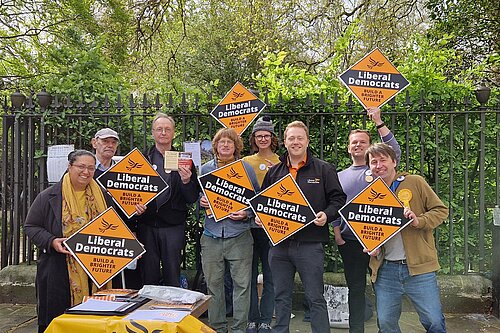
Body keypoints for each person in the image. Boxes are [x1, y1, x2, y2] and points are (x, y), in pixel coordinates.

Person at [23, 150, 146, 333]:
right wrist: (52, 241)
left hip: (97, 269)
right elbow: (31, 226)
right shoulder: (48, 197)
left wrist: (130, 237)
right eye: (81, 166)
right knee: (58, 320)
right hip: (61, 270)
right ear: (69, 167)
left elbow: (115, 224)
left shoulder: (103, 196)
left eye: (90, 168)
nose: (86, 172)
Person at [258, 120, 346, 333]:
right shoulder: (274, 172)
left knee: (315, 297)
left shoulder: (324, 169)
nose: (295, 142)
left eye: (300, 138)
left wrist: (327, 214)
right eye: (291, 138)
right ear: (285, 142)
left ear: (307, 141)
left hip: (310, 244)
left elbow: (338, 199)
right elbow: (264, 202)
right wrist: (261, 217)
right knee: (281, 296)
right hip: (279, 245)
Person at [365, 143, 448, 333]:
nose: (379, 165)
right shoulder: (369, 193)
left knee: (434, 321)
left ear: (394, 161)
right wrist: (371, 245)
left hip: (419, 269)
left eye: (383, 160)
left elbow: (441, 211)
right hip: (385, 269)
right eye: (373, 162)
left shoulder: (414, 182)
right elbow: (366, 228)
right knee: (386, 323)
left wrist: (419, 221)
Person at [332, 106, 401, 333]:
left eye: (363, 141)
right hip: (350, 242)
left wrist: (379, 122)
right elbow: (334, 205)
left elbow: (394, 151)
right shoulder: (339, 175)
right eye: (354, 142)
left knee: (384, 288)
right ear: (348, 147)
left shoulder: (381, 169)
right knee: (356, 288)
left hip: (381, 241)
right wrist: (338, 234)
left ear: (369, 146)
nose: (358, 145)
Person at [199, 127, 260, 333]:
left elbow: (256, 201)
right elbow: (199, 198)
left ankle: (239, 329)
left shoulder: (246, 169)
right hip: (211, 235)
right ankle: (217, 327)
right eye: (221, 142)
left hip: (239, 235)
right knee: (213, 285)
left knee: (242, 286)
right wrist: (202, 202)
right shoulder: (206, 169)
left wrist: (246, 214)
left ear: (236, 147)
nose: (225, 145)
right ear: (215, 145)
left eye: (230, 142)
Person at [137, 113, 200, 287]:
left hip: (173, 225)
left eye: (167, 129)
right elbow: (132, 191)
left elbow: (192, 198)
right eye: (159, 129)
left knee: (173, 272)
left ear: (173, 133)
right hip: (147, 224)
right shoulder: (142, 158)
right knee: (148, 273)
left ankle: (172, 312)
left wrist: (186, 181)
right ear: (152, 133)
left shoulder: (185, 160)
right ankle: (147, 311)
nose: (163, 132)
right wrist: (135, 206)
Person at [242, 116, 280, 333]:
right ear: (254, 139)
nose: (263, 139)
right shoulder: (246, 162)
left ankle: (266, 319)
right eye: (259, 136)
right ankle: (251, 319)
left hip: (272, 227)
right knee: (247, 276)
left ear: (272, 138)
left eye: (266, 135)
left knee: (270, 274)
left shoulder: (281, 161)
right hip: (248, 226)